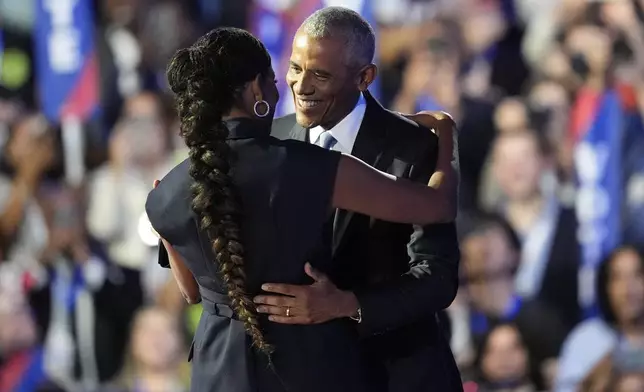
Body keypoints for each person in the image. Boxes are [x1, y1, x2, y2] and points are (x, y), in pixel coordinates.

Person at [146, 27, 456, 392]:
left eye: (320, 74)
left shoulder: (164, 192)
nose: (297, 87)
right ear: (257, 90)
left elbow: (192, 293)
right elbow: (438, 205)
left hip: (218, 369)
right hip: (307, 365)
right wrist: (446, 134)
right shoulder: (314, 166)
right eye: (286, 74)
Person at [262, 7, 462, 391]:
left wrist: (347, 303)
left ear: (365, 77)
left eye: (320, 74)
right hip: (307, 375)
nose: (301, 86)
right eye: (296, 68)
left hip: (399, 374)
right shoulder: (271, 143)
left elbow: (438, 277)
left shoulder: (416, 145)